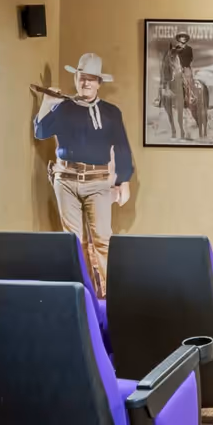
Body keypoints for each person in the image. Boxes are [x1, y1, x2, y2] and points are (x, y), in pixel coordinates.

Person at [32, 52, 134, 295]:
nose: (86, 83)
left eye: (91, 79)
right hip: (65, 180)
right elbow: (41, 131)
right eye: (81, 78)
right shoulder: (63, 107)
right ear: (76, 79)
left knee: (102, 239)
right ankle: (81, 293)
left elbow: (121, 147)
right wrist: (47, 102)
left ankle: (107, 295)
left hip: (98, 182)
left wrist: (123, 181)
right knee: (74, 241)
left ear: (99, 83)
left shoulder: (111, 112)